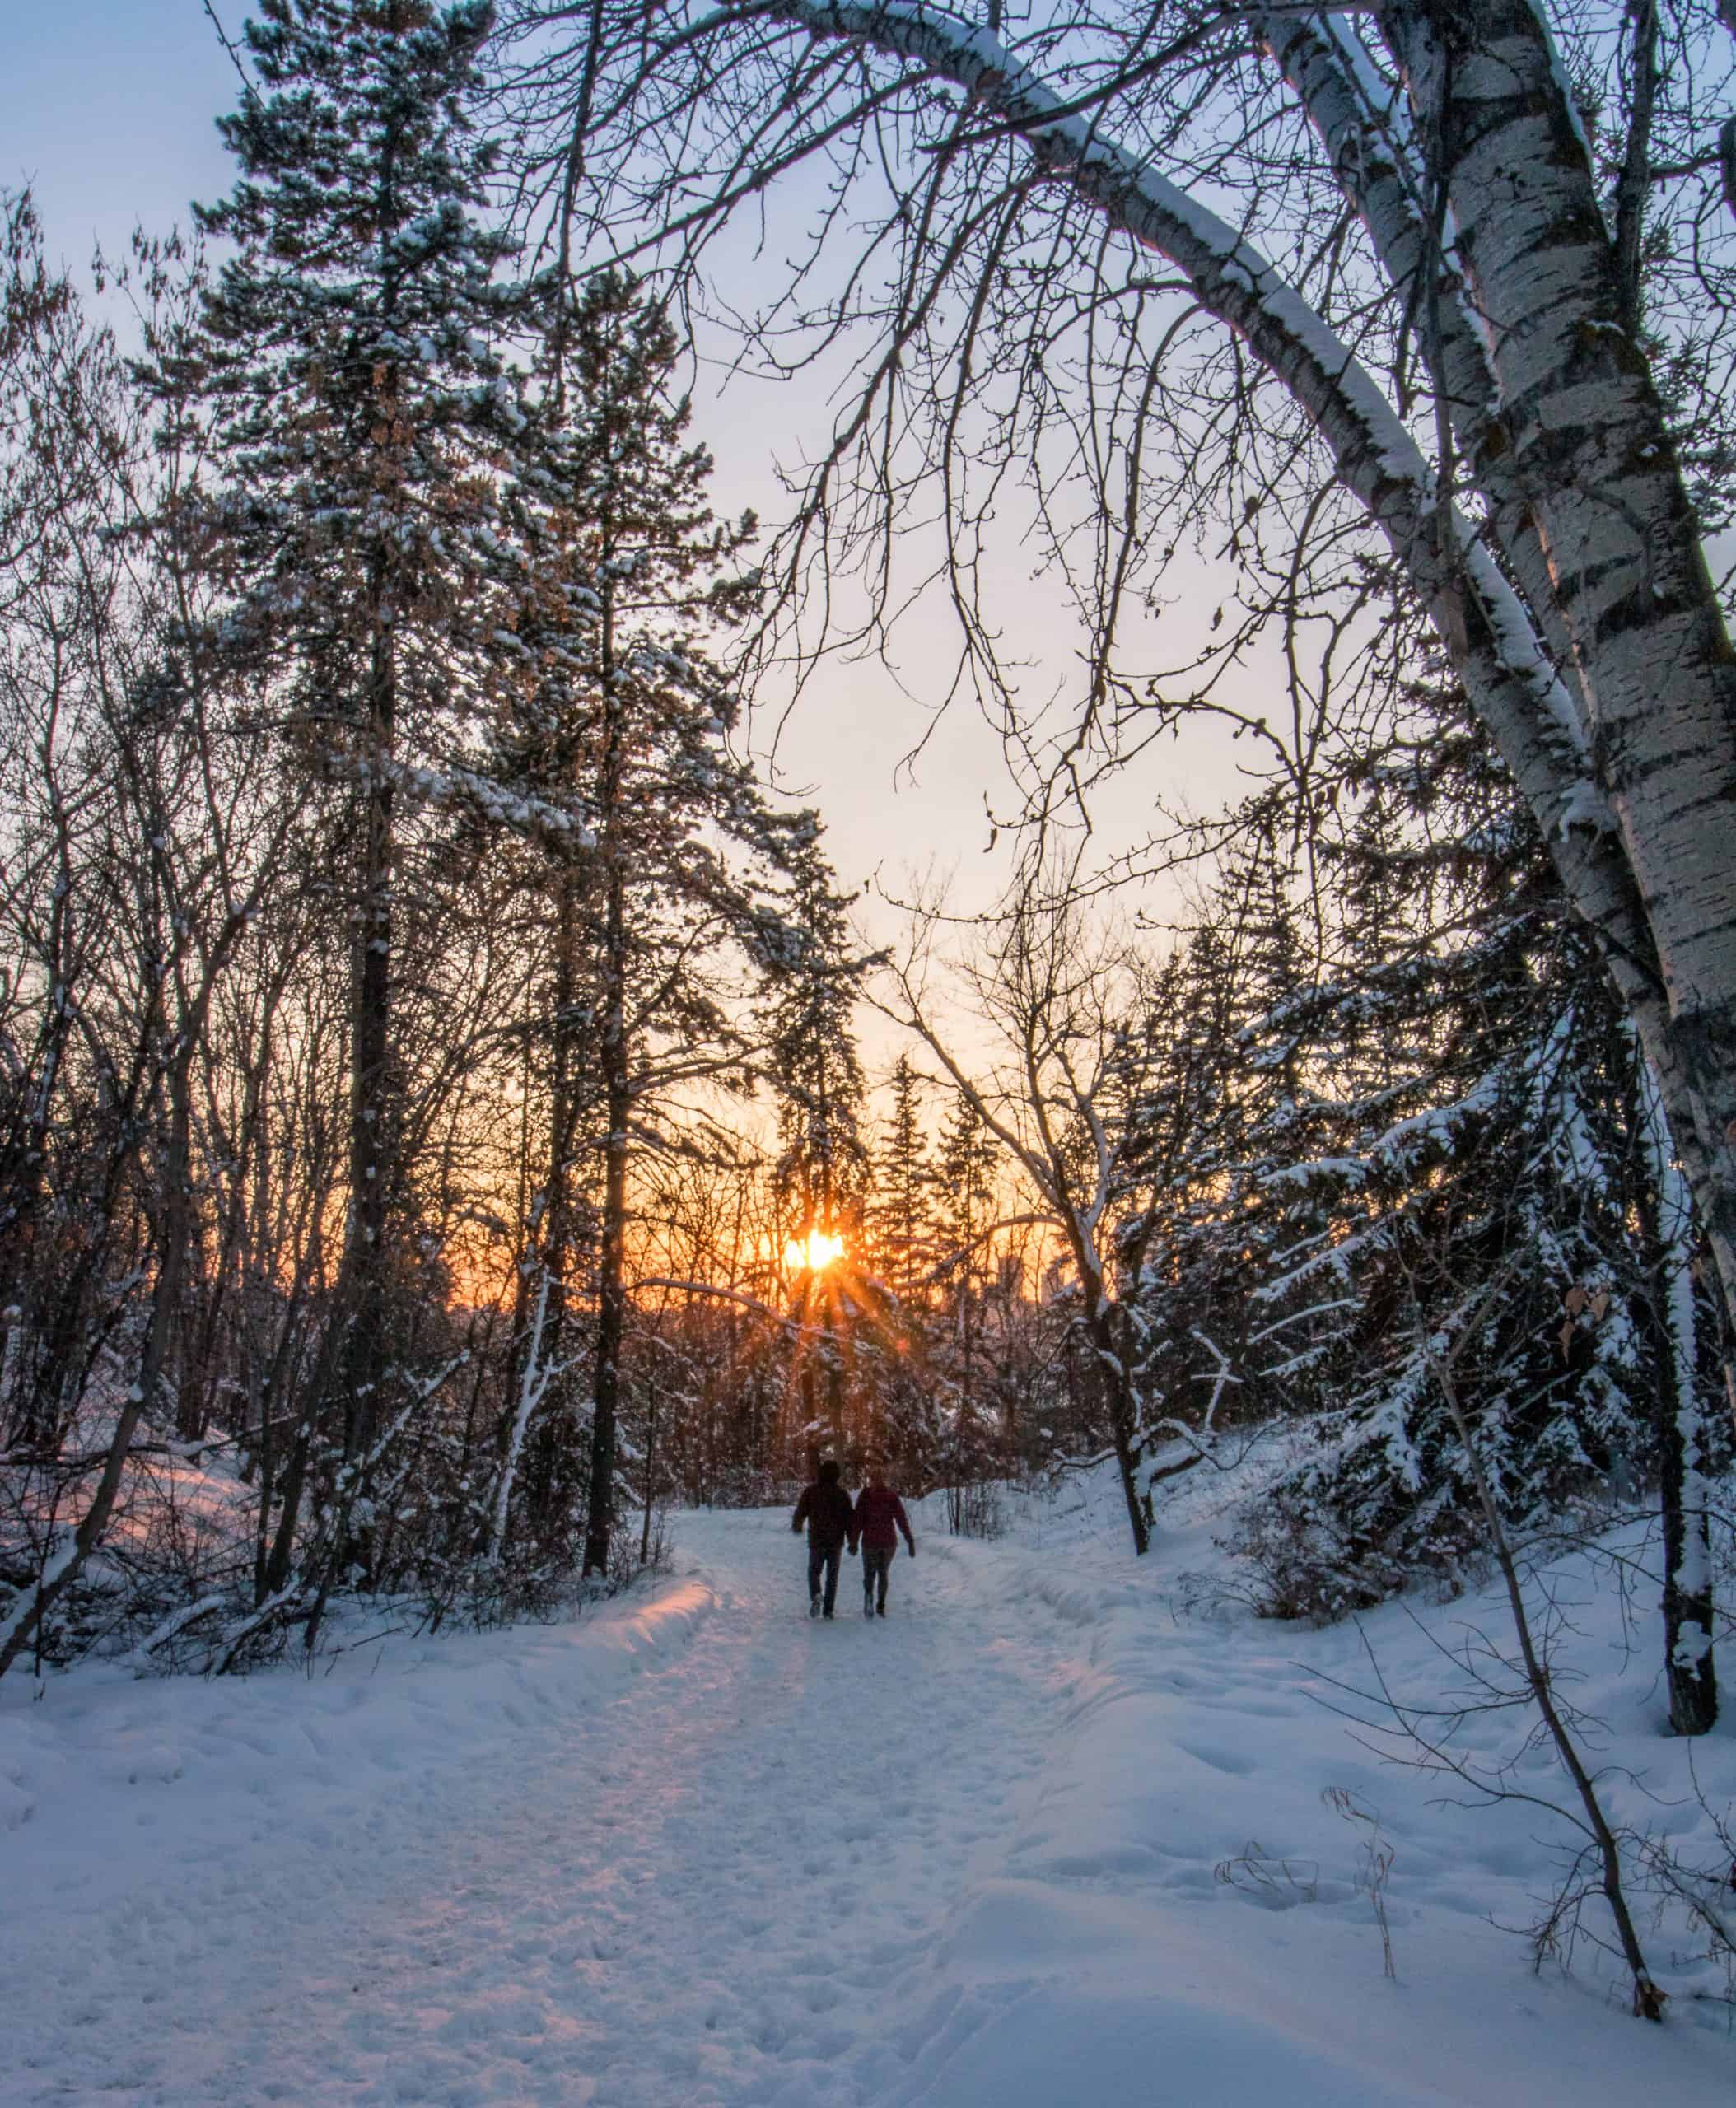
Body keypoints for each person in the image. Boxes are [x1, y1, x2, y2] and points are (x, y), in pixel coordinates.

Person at [791, 1457, 856, 1619]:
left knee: (814, 1571)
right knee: (832, 1576)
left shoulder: (811, 1491)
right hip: (836, 1542)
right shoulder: (842, 1494)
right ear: (837, 1475)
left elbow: (800, 1511)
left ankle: (816, 1595)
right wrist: (852, 1541)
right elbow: (849, 1520)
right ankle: (828, 1610)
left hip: (817, 1540)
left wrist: (797, 1525)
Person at [853, 1464, 915, 1619]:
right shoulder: (891, 1496)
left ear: (871, 1479)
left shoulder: (865, 1495)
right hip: (888, 1543)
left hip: (870, 1542)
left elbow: (858, 1520)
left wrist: (853, 1541)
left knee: (869, 1573)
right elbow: (901, 1520)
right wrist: (909, 1540)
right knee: (883, 1574)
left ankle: (869, 1597)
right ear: (884, 1480)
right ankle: (881, 1605)